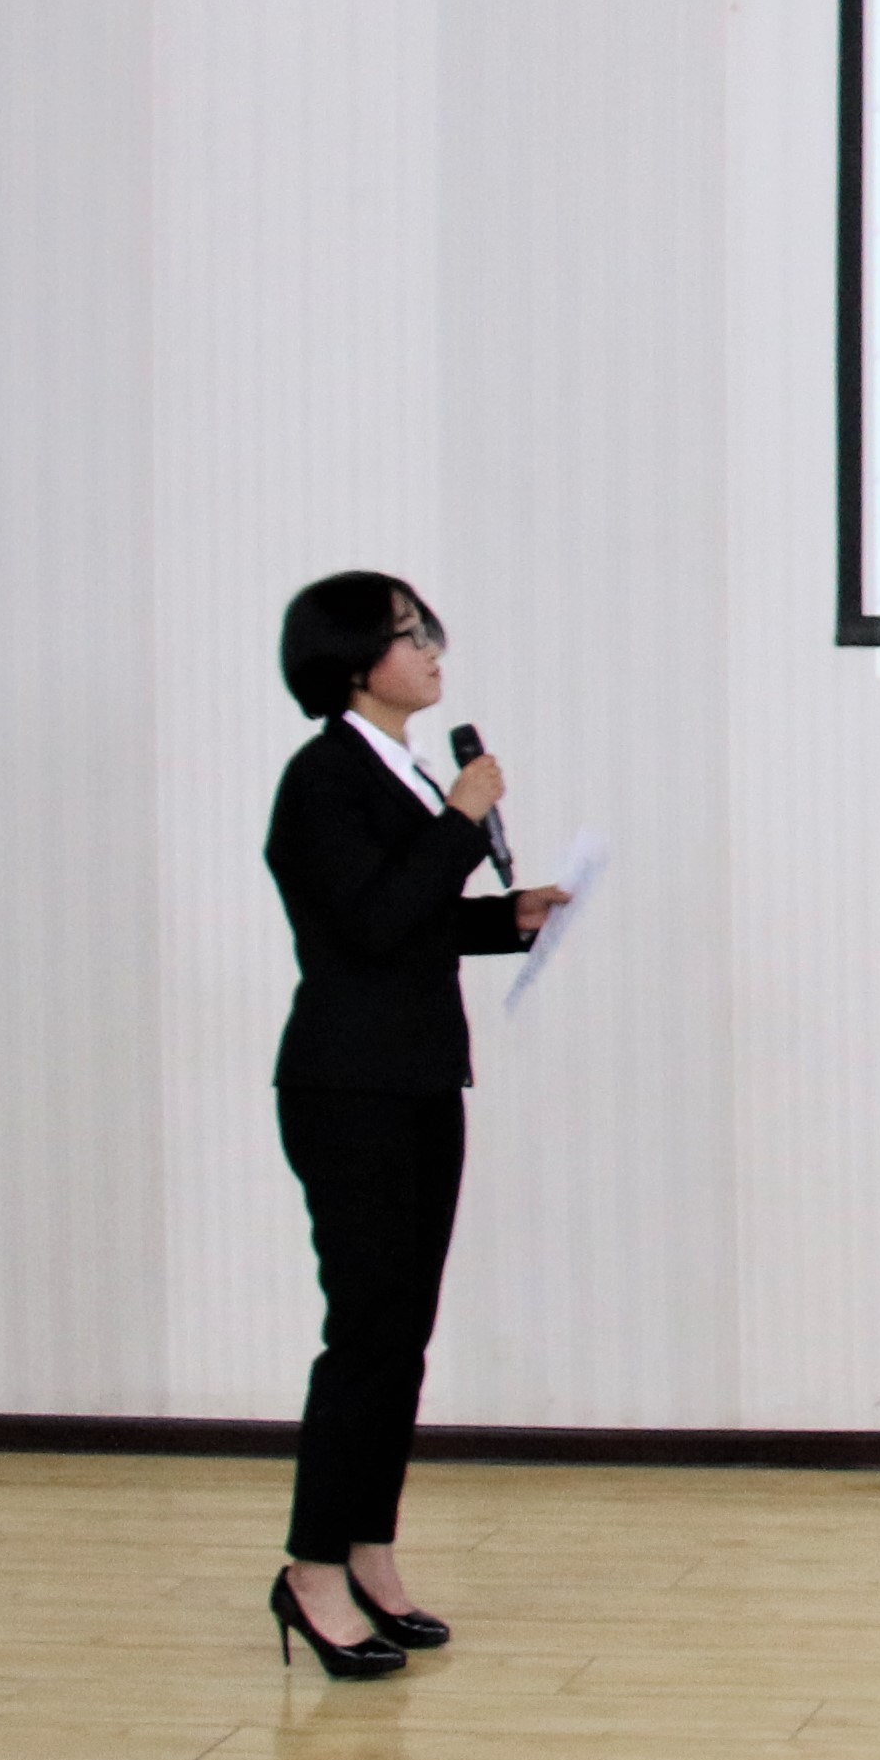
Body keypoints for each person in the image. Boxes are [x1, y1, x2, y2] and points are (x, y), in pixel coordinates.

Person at [262, 572, 568, 1679]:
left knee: (401, 1336)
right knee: (365, 1336)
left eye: (428, 629)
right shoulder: (323, 779)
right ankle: (310, 1570)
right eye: (408, 635)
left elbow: (412, 920)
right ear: (353, 661)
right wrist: (463, 818)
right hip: (350, 1090)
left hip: (418, 1080)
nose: (433, 650)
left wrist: (506, 919)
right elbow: (370, 924)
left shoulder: (400, 769)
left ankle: (368, 1551)